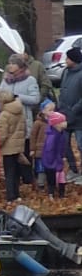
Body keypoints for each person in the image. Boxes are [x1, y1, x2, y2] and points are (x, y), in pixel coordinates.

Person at [58, 44, 82, 179]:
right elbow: (62, 90)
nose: (65, 60)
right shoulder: (66, 72)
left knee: (80, 144)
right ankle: (73, 169)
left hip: (79, 117)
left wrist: (75, 109)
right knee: (64, 144)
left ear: (74, 60)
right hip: (64, 115)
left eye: (68, 58)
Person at [0, 87, 25, 202]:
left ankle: (10, 196)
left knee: (8, 172)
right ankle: (17, 194)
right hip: (18, 146)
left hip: (8, 148)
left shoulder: (4, 115)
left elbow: (2, 134)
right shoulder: (20, 111)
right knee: (16, 172)